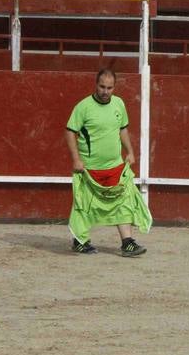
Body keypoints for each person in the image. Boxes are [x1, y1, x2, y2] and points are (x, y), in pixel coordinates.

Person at [64, 68, 151, 256]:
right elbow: (70, 131)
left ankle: (127, 242)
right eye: (102, 87)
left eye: (109, 88)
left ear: (114, 87)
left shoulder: (119, 104)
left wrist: (130, 151)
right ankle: (80, 241)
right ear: (96, 85)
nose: (105, 91)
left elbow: (123, 129)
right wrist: (76, 159)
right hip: (89, 168)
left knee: (123, 200)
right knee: (84, 203)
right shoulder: (83, 107)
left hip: (115, 165)